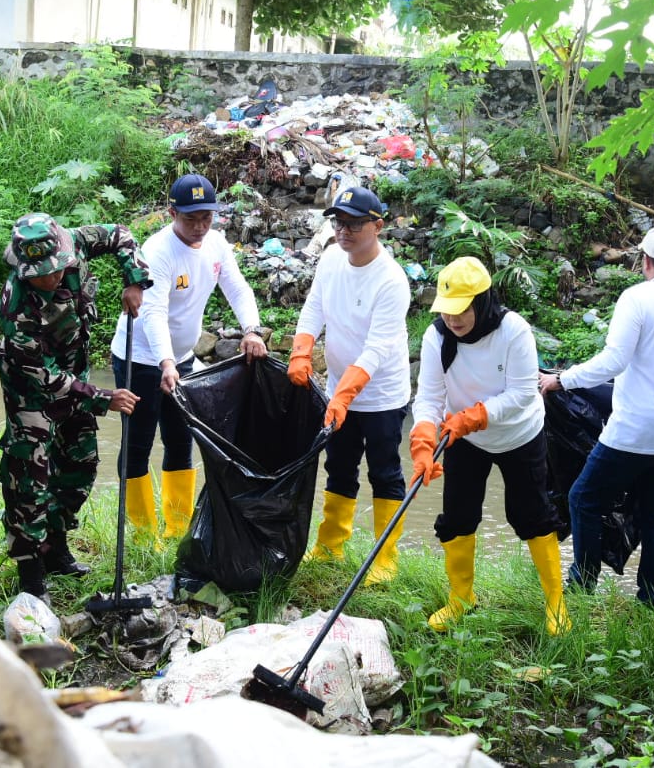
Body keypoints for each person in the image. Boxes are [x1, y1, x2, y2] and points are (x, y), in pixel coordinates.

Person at [540, 225, 654, 610]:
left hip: (633, 431)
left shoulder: (637, 297)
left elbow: (614, 360)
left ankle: (582, 584)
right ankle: (652, 601)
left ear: (645, 261)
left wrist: (562, 380)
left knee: (583, 498)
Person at [0, 212, 151, 598]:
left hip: (75, 375)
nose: (50, 279)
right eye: (39, 274)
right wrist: (102, 397)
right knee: (29, 481)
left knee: (80, 466)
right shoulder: (16, 307)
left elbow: (119, 234)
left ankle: (55, 546)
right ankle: (31, 573)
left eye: (55, 270)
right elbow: (42, 377)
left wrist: (134, 280)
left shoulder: (77, 242)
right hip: (31, 394)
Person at [415, 257, 568, 634]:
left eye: (461, 310)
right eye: (447, 311)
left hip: (518, 434)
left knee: (532, 515)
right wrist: (422, 437)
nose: (453, 320)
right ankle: (461, 598)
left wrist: (472, 416)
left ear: (482, 302)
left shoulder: (513, 331)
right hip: (462, 436)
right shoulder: (437, 337)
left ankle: (555, 605)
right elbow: (430, 396)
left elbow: (521, 393)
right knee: (457, 517)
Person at [110, 174, 267, 541]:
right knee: (139, 443)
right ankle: (142, 534)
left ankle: (177, 530)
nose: (199, 227)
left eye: (206, 218)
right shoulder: (158, 251)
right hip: (140, 358)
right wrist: (165, 362)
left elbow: (237, 288)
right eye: (190, 218)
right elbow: (153, 312)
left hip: (180, 359)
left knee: (181, 440)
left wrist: (252, 330)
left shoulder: (215, 244)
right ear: (172, 213)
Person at [288, 186, 411, 585]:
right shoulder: (331, 260)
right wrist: (301, 351)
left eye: (355, 224)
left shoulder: (391, 281)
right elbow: (314, 308)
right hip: (340, 389)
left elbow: (376, 351)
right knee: (339, 466)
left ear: (378, 225)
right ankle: (329, 548)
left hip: (381, 396)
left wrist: (343, 394)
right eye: (339, 223)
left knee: (385, 471)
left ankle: (385, 559)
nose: (344, 231)